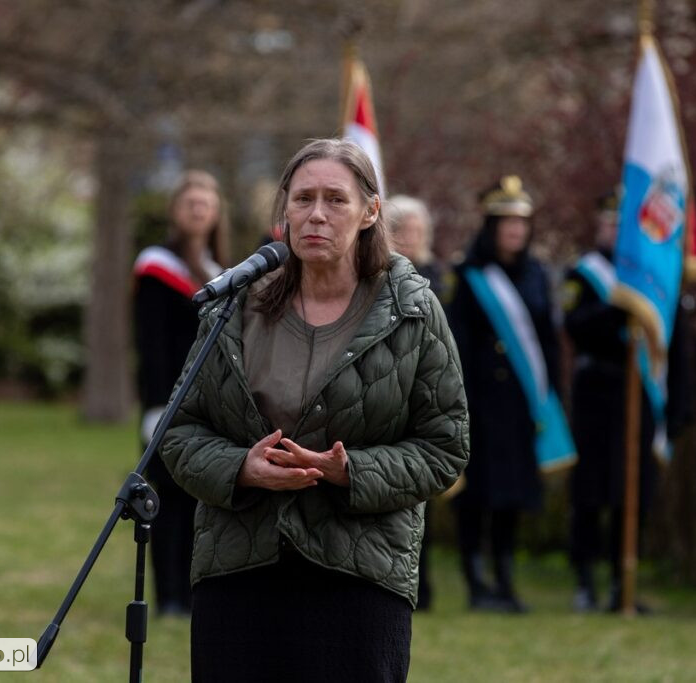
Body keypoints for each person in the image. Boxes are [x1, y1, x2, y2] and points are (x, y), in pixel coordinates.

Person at [160, 138, 469, 682]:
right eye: (303, 199)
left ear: (370, 211)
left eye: (335, 199)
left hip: (360, 576)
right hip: (238, 570)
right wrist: (240, 468)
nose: (316, 215)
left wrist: (351, 472)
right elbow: (179, 430)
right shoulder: (235, 306)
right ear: (285, 210)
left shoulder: (413, 312)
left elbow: (444, 448)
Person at [561, 190, 689, 613]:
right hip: (597, 394)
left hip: (641, 393)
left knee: (632, 493)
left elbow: (673, 340)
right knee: (590, 493)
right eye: (609, 223)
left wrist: (679, 402)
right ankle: (585, 582)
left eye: (623, 225)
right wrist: (617, 309)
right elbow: (576, 327)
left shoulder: (652, 278)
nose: (616, 232)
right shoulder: (584, 275)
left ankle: (623, 582)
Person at [447, 175, 570, 613]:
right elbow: (455, 343)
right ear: (492, 226)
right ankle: (476, 583)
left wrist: (552, 395)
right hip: (478, 402)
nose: (516, 230)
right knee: (476, 495)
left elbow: (547, 340)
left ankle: (504, 581)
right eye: (507, 222)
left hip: (521, 404)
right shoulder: (467, 276)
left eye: (522, 222)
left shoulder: (536, 274)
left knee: (512, 495)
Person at [132, 169, 229, 616]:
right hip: (168, 402)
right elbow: (149, 342)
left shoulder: (220, 272)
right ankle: (168, 595)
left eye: (206, 203)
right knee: (166, 499)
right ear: (175, 210)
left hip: (210, 406)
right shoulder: (156, 266)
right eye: (190, 202)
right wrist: (155, 405)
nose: (198, 209)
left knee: (199, 502)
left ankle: (193, 592)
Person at [385, 194, 452, 611]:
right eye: (402, 230)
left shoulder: (436, 278)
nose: (410, 238)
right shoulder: (378, 277)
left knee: (420, 496)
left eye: (416, 231)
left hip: (425, 394)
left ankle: (421, 585)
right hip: (392, 394)